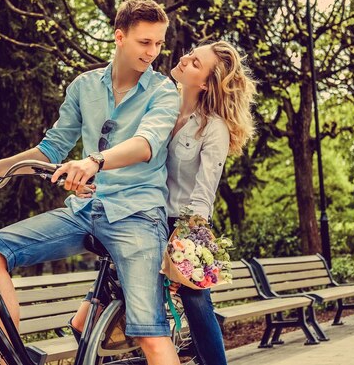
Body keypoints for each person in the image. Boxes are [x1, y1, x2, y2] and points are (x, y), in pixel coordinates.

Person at [0, 0, 181, 365]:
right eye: (145, 42)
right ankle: (11, 357)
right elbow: (51, 148)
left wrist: (95, 161)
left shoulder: (162, 91)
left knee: (149, 333)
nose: (153, 52)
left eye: (159, 43)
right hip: (86, 209)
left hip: (138, 215)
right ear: (119, 37)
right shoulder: (84, 87)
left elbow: (145, 145)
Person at [71, 40, 257, 365]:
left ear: (205, 84)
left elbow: (203, 194)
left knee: (197, 303)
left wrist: (183, 245)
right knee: (84, 321)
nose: (185, 59)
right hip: (138, 214)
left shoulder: (213, 129)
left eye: (196, 63)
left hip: (185, 227)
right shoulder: (157, 103)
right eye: (191, 53)